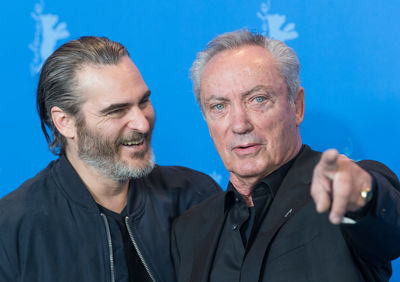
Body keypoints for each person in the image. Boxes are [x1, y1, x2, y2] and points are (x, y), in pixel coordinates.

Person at [171, 29, 400, 282]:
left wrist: (363, 195)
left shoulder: (339, 194)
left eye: (257, 99)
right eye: (219, 106)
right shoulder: (189, 230)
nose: (239, 124)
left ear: (297, 106)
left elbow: (390, 226)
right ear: (206, 118)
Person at [0, 36, 221, 282]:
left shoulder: (196, 196)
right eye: (116, 111)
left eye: (144, 101)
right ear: (65, 122)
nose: (142, 123)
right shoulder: (11, 229)